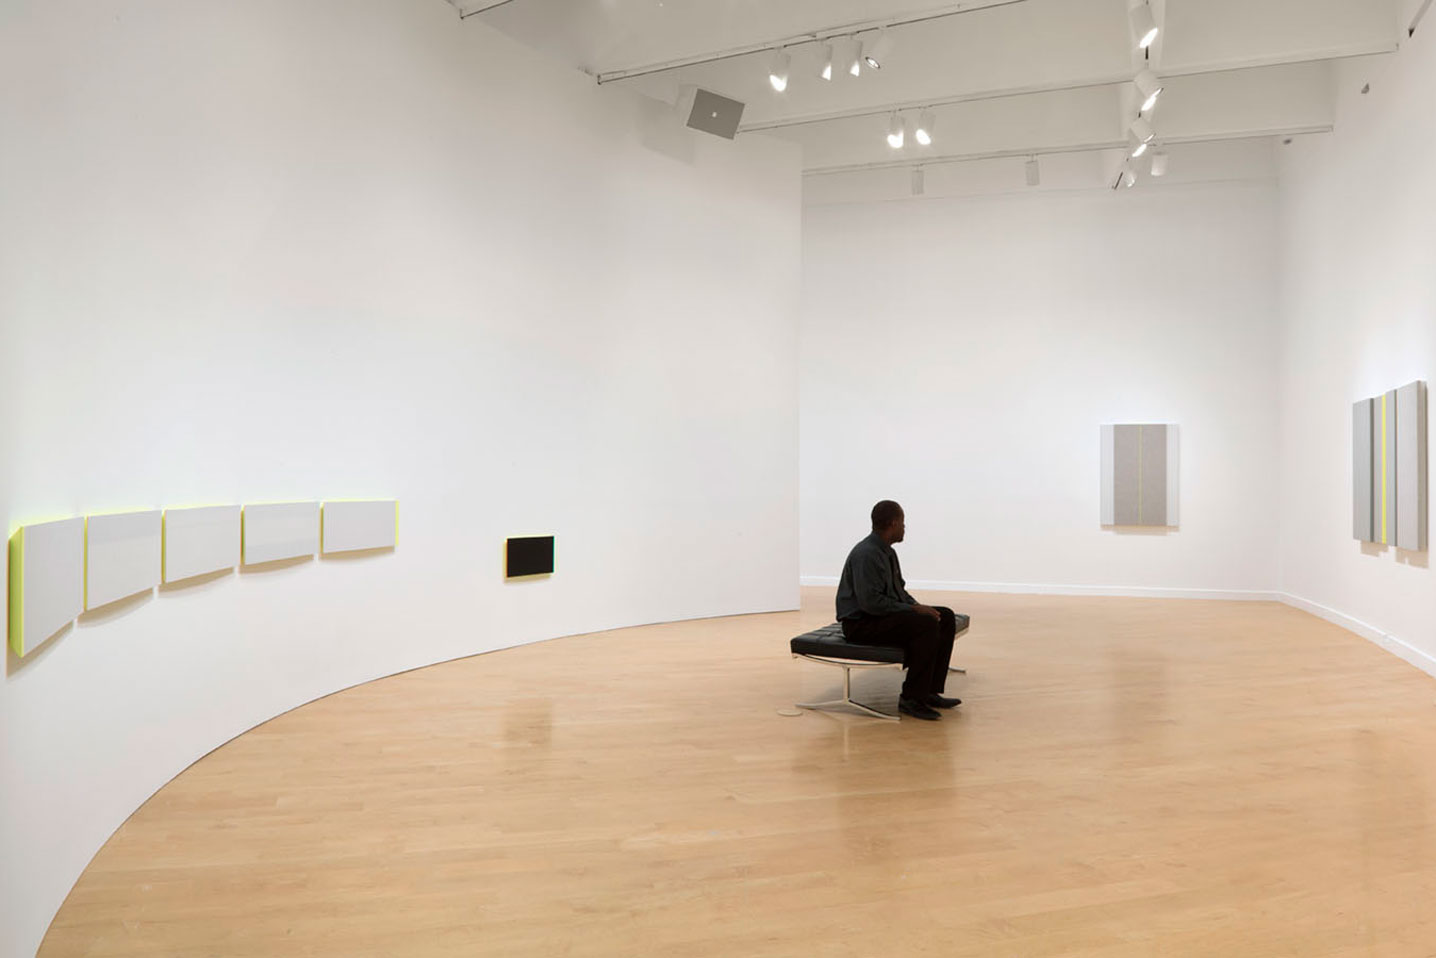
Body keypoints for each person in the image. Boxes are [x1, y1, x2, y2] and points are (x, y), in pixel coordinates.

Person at [835, 500, 962, 721]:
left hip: (878, 617)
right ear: (893, 524)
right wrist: (913, 610)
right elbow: (870, 603)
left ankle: (928, 691)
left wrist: (919, 607)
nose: (905, 527)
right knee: (926, 625)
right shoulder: (866, 554)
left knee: (945, 617)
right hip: (861, 624)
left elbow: (899, 592)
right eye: (903, 523)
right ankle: (911, 698)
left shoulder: (887, 552)